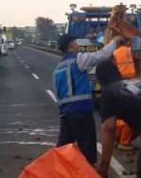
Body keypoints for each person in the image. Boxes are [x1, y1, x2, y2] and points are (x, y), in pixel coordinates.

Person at [53, 34, 123, 166]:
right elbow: (101, 56)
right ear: (71, 45)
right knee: (87, 147)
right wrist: (114, 42)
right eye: (76, 41)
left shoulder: (58, 67)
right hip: (81, 111)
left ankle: (58, 174)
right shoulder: (77, 59)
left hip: (65, 113)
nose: (78, 44)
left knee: (63, 146)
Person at [112, 41, 139, 151]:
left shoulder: (115, 52)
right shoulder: (128, 50)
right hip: (130, 82)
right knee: (133, 116)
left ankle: (116, 138)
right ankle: (124, 142)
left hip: (120, 83)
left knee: (121, 115)